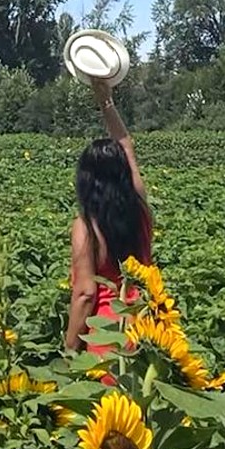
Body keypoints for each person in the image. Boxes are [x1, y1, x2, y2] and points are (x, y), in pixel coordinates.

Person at [64, 79, 153, 357]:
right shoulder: (140, 210)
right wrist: (106, 103)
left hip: (108, 340)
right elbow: (127, 149)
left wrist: (69, 351)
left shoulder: (86, 228)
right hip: (148, 331)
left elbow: (85, 294)